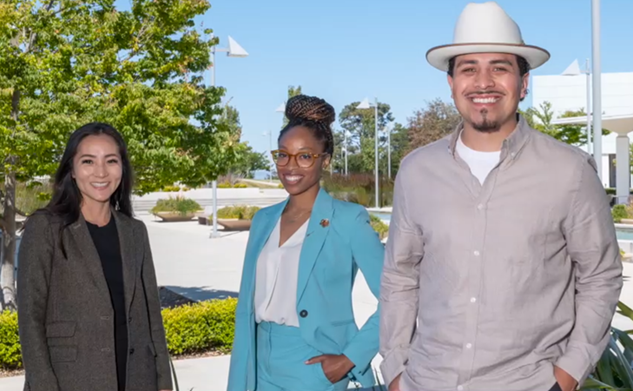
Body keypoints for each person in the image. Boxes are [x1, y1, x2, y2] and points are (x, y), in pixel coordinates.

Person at [379, 2, 623, 391]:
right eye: (469, 68)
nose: (483, 82)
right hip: (426, 381)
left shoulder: (571, 172)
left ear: (523, 83)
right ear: (452, 83)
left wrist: (568, 374)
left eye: (500, 67)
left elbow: (600, 277)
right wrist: (395, 370)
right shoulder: (416, 171)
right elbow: (400, 276)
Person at [227, 94, 384, 391]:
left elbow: (397, 298)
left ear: (324, 160)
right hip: (258, 360)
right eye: (283, 154)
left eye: (305, 156)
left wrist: (349, 358)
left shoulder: (348, 220)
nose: (290, 165)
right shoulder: (263, 220)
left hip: (313, 366)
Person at [17, 123, 173, 391]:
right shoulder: (45, 228)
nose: (101, 172)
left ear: (122, 169)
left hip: (137, 378)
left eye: (111, 161)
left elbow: (151, 315)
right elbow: (30, 318)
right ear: (72, 170)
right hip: (71, 379)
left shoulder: (135, 232)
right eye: (88, 161)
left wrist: (163, 382)